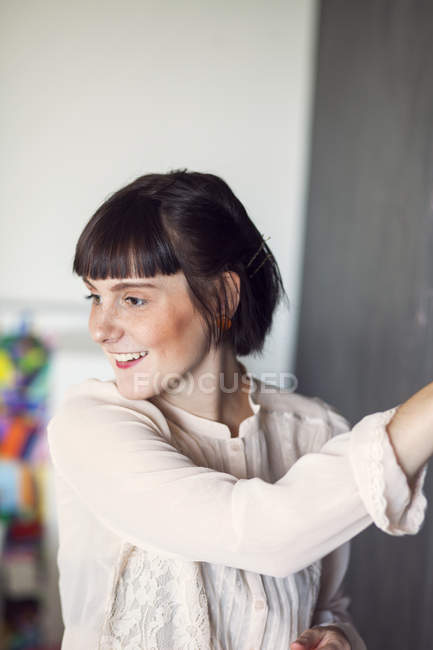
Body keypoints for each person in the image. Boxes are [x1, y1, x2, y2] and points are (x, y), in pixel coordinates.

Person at [47, 169, 430, 650]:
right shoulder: (91, 427)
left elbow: (325, 603)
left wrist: (335, 636)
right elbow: (263, 535)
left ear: (222, 295)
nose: (100, 328)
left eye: (132, 298)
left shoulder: (316, 429)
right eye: (94, 296)